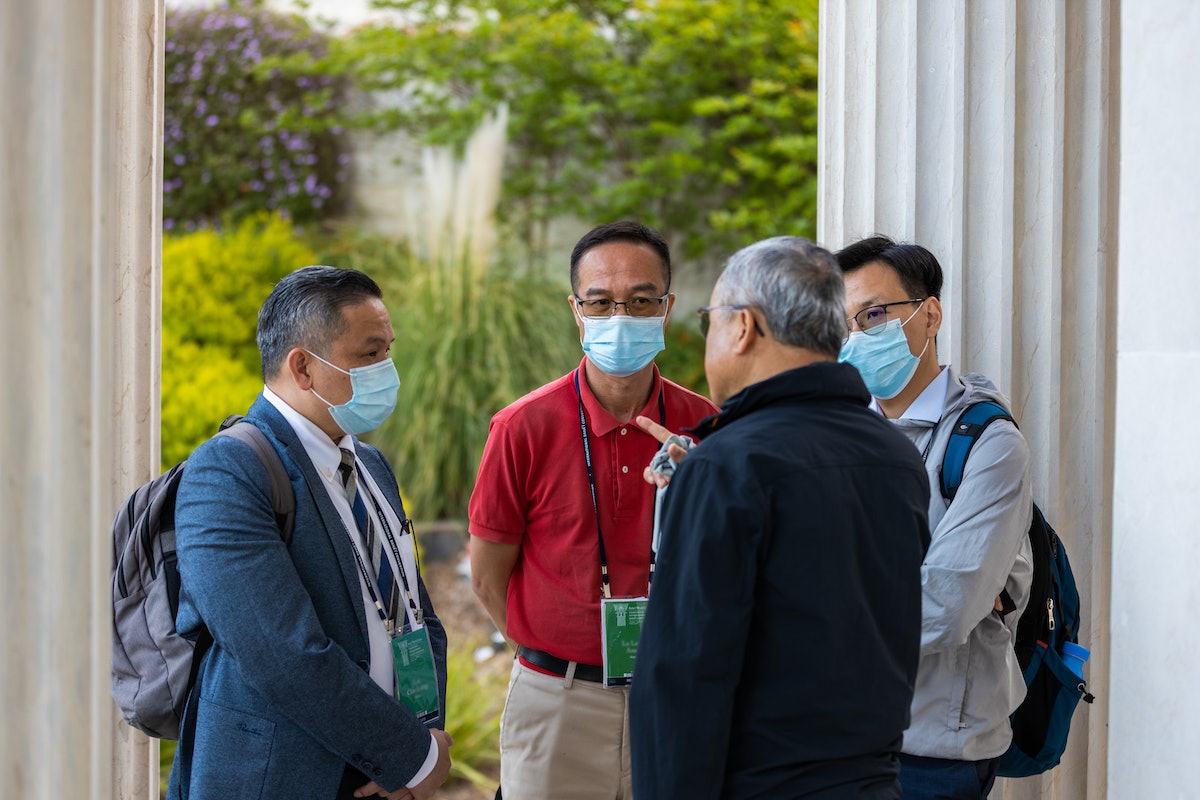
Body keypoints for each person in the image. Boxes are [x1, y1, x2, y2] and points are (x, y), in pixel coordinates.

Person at [629, 236, 931, 799]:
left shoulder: (728, 464)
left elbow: (684, 681)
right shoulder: (895, 456)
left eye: (708, 322)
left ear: (742, 327)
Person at [168, 266, 452, 800]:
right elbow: (284, 654)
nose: (387, 369)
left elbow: (417, 612)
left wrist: (422, 736)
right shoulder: (227, 471)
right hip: (287, 778)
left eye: (389, 350)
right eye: (369, 355)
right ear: (303, 366)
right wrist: (408, 757)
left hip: (387, 768)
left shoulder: (370, 464)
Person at [467, 220, 718, 799]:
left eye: (640, 301)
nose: (620, 318)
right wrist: (553, 663)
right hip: (559, 703)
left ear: (667, 307)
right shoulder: (523, 427)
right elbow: (486, 578)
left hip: (677, 699)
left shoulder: (704, 425)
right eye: (601, 303)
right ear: (577, 311)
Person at [836, 235, 1033, 799]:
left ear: (930, 315)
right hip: (833, 733)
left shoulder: (987, 443)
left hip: (931, 751)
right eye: (843, 322)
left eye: (873, 314)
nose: (857, 336)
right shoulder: (834, 429)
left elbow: (944, 605)